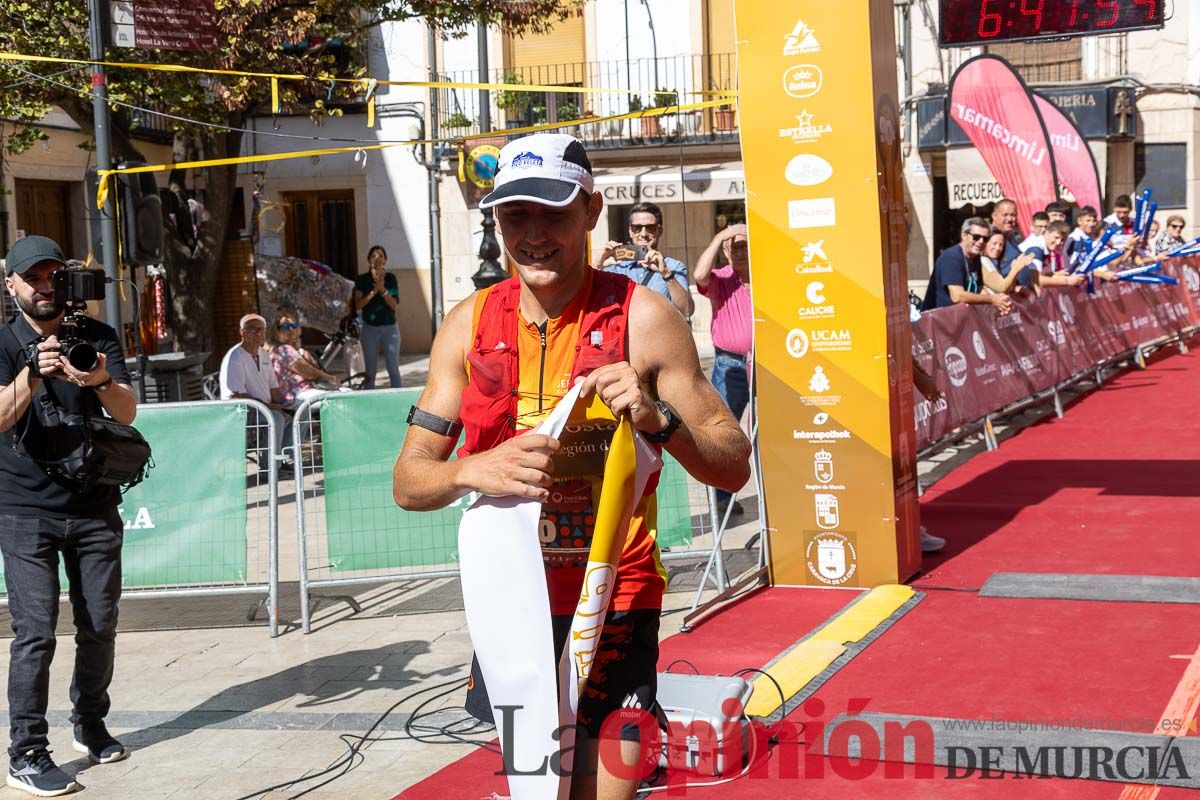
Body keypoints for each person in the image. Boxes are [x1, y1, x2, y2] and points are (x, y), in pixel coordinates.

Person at [391, 133, 751, 800]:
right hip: (513, 603)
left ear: (592, 210)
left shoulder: (643, 319)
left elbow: (733, 466)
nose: (533, 235)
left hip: (615, 599)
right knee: (540, 793)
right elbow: (409, 481)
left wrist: (656, 419)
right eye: (514, 215)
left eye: (552, 213)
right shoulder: (466, 325)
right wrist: (473, 470)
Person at [0, 236, 138, 796]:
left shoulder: (97, 338)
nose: (44, 287)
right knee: (35, 631)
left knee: (100, 624)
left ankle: (90, 721)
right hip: (24, 508)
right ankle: (27, 750)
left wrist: (99, 380)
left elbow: (128, 411)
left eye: (53, 275)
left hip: (94, 503)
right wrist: (33, 375)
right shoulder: (4, 343)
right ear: (10, 284)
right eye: (32, 278)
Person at [693, 222, 753, 517]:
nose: (740, 250)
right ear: (727, 252)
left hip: (766, 367)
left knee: (771, 436)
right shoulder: (720, 279)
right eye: (734, 246)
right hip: (730, 365)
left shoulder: (766, 278)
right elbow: (699, 275)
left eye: (744, 245)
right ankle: (721, 500)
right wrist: (720, 236)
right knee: (723, 434)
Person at [219, 314, 292, 471]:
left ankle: (283, 459)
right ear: (242, 332)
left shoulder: (263, 354)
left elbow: (274, 388)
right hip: (242, 412)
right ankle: (270, 468)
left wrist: (288, 404)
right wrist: (270, 407)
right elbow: (236, 395)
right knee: (277, 418)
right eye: (254, 329)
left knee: (299, 413)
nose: (259, 333)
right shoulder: (236, 357)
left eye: (262, 329)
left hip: (263, 408)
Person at [600, 202, 693, 317]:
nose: (643, 234)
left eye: (650, 228)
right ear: (630, 231)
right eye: (637, 228)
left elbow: (688, 311)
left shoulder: (673, 267)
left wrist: (666, 273)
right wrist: (598, 264)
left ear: (660, 231)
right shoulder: (616, 267)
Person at [921, 218, 1014, 314]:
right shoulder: (952, 257)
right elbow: (957, 296)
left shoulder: (975, 258)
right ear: (964, 235)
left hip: (963, 320)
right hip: (941, 322)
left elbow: (979, 289)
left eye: (985, 238)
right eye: (976, 237)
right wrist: (992, 299)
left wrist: (1001, 304)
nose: (981, 241)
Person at [353, 245, 401, 389]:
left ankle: (399, 399)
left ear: (385, 260)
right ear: (369, 260)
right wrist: (374, 291)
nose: (377, 259)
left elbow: (393, 305)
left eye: (380, 256)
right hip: (370, 329)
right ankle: (369, 399)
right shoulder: (362, 279)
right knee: (371, 369)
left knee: (393, 367)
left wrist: (383, 290)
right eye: (374, 256)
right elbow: (358, 304)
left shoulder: (391, 278)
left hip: (390, 328)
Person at [267, 312, 336, 412]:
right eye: (286, 327)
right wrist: (330, 377)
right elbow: (309, 373)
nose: (291, 329)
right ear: (276, 331)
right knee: (342, 397)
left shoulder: (278, 349)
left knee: (343, 394)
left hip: (295, 396)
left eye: (294, 325)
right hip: (297, 396)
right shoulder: (284, 349)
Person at [1018, 220, 1085, 290]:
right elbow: (1038, 280)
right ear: (1046, 233)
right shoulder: (1036, 248)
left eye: (1062, 240)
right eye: (1056, 237)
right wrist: (1068, 281)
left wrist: (1054, 274)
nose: (1059, 242)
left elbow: (1036, 275)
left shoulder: (1045, 247)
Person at [989, 198, 1033, 289]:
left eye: (1013, 215)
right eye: (1005, 215)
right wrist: (1013, 288)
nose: (1009, 219)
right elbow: (990, 273)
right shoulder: (990, 239)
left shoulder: (1012, 236)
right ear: (994, 216)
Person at [981, 228, 1034, 295]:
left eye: (1001, 245)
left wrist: (1015, 287)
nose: (998, 248)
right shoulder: (984, 261)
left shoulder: (991, 263)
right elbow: (1002, 288)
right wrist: (1016, 268)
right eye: (994, 243)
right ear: (985, 243)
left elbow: (1007, 289)